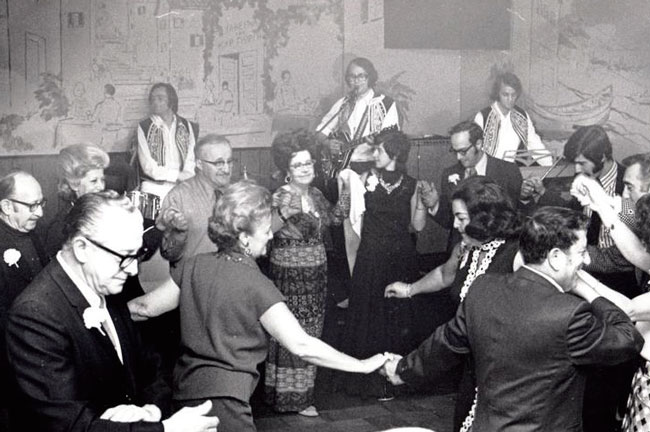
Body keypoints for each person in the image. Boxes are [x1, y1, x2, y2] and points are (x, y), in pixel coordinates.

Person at [382, 206, 644, 431]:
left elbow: (445, 343)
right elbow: (629, 339)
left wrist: (403, 369)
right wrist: (586, 288)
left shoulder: (483, 289)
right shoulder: (569, 314)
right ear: (554, 257)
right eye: (581, 252)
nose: (585, 260)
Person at [172, 180, 386, 431]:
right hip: (226, 404)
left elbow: (144, 308)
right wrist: (362, 366)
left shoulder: (193, 265)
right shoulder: (258, 284)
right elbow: (302, 345)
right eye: (265, 231)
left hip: (184, 397)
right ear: (243, 237)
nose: (271, 235)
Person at [5, 191, 218, 432]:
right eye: (125, 257)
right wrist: (168, 430)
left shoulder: (110, 285)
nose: (133, 271)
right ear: (82, 248)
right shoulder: (35, 315)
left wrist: (150, 410)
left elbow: (152, 368)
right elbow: (69, 425)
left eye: (137, 255)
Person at [385, 176, 522, 430]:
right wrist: (409, 289)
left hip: (505, 373)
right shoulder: (466, 247)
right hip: (474, 366)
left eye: (461, 218)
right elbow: (445, 275)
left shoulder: (517, 255)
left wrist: (407, 369)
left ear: (484, 217)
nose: (456, 225)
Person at [264, 130, 351, 417]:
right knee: (290, 332)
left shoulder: (315, 194)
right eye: (298, 165)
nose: (304, 169)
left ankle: (301, 396)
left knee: (310, 332)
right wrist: (285, 213)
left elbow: (336, 218)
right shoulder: (280, 195)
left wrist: (348, 187)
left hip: (316, 274)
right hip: (288, 275)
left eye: (308, 164)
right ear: (287, 170)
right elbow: (267, 232)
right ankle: (288, 399)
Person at [339, 129, 427, 398]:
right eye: (375, 149)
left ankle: (397, 378)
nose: (375, 154)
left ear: (396, 154)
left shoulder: (412, 184)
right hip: (371, 259)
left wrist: (423, 201)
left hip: (401, 260)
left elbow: (417, 226)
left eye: (380, 150)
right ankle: (369, 382)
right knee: (370, 319)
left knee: (399, 318)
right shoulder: (363, 179)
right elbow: (354, 224)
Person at [127, 135, 234, 320]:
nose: (226, 168)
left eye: (229, 161)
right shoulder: (179, 197)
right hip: (195, 292)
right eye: (218, 163)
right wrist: (179, 233)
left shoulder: (236, 194)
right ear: (199, 164)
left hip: (232, 287)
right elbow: (169, 254)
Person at [316, 57, 400, 279]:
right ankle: (350, 283)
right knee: (343, 230)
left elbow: (392, 141)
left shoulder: (385, 104)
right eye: (352, 77)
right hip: (342, 173)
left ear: (370, 77)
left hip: (372, 172)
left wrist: (376, 143)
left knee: (369, 230)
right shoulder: (343, 104)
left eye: (361, 76)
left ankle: (373, 282)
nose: (356, 81)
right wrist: (328, 143)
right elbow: (320, 132)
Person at [423, 120, 523, 250]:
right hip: (461, 250)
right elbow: (451, 222)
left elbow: (514, 215)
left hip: (499, 250)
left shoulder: (508, 171)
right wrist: (435, 205)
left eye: (463, 151)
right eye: (455, 151)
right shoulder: (449, 174)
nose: (458, 157)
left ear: (478, 144)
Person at [0, 171, 47, 432]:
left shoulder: (33, 232)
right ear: (6, 206)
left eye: (42, 203)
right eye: (32, 206)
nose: (39, 213)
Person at [43, 143, 109, 259]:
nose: (101, 187)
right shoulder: (61, 226)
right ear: (74, 184)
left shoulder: (99, 209)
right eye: (93, 181)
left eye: (102, 180)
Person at [474, 71, 552, 166]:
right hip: (488, 172)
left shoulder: (522, 116)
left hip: (513, 171)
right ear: (497, 94)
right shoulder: (483, 116)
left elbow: (534, 144)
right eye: (505, 95)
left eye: (513, 95)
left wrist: (549, 165)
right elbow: (476, 152)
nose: (510, 99)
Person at [137, 82, 197, 199]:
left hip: (183, 183)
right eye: (153, 99)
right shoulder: (144, 127)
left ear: (171, 101)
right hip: (154, 185)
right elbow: (148, 166)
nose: (155, 102)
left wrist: (186, 177)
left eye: (160, 98)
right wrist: (176, 176)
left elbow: (191, 157)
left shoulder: (185, 125)